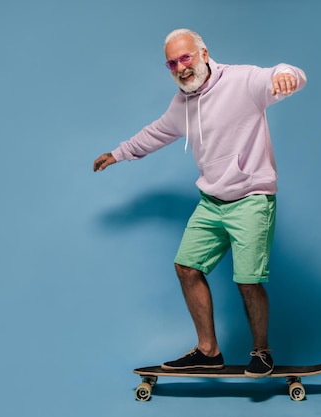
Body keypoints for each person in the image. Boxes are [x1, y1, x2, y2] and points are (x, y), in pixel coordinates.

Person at [93, 28, 306, 378]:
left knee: (248, 280)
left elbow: (282, 74)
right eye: (172, 63)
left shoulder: (242, 81)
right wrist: (118, 153)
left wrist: (287, 75)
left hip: (251, 199)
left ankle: (262, 351)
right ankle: (208, 351)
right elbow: (156, 132)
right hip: (212, 202)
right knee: (187, 268)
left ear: (204, 54)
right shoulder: (181, 105)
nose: (181, 67)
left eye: (186, 58)